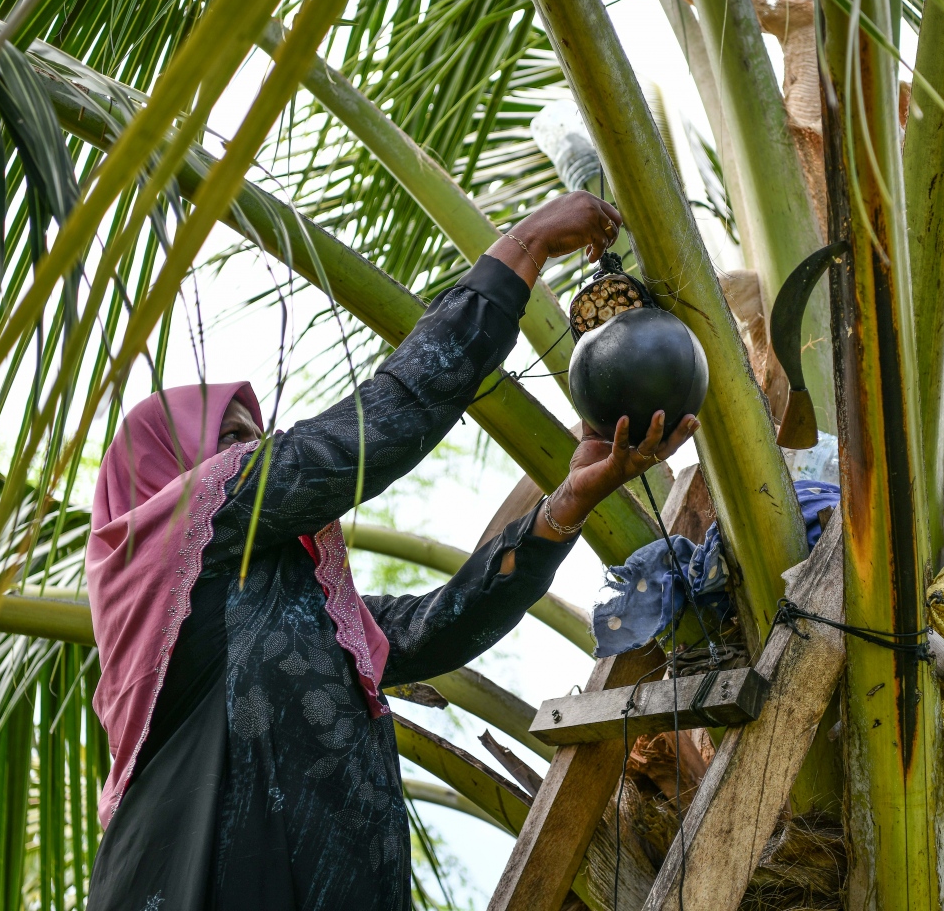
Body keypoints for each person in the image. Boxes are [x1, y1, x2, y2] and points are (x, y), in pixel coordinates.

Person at [84, 192, 698, 910]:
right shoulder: (179, 531)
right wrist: (523, 249)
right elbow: (383, 422)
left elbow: (440, 624)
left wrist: (568, 503)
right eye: (230, 440)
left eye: (256, 437)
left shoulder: (298, 610)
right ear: (162, 473)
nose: (255, 452)